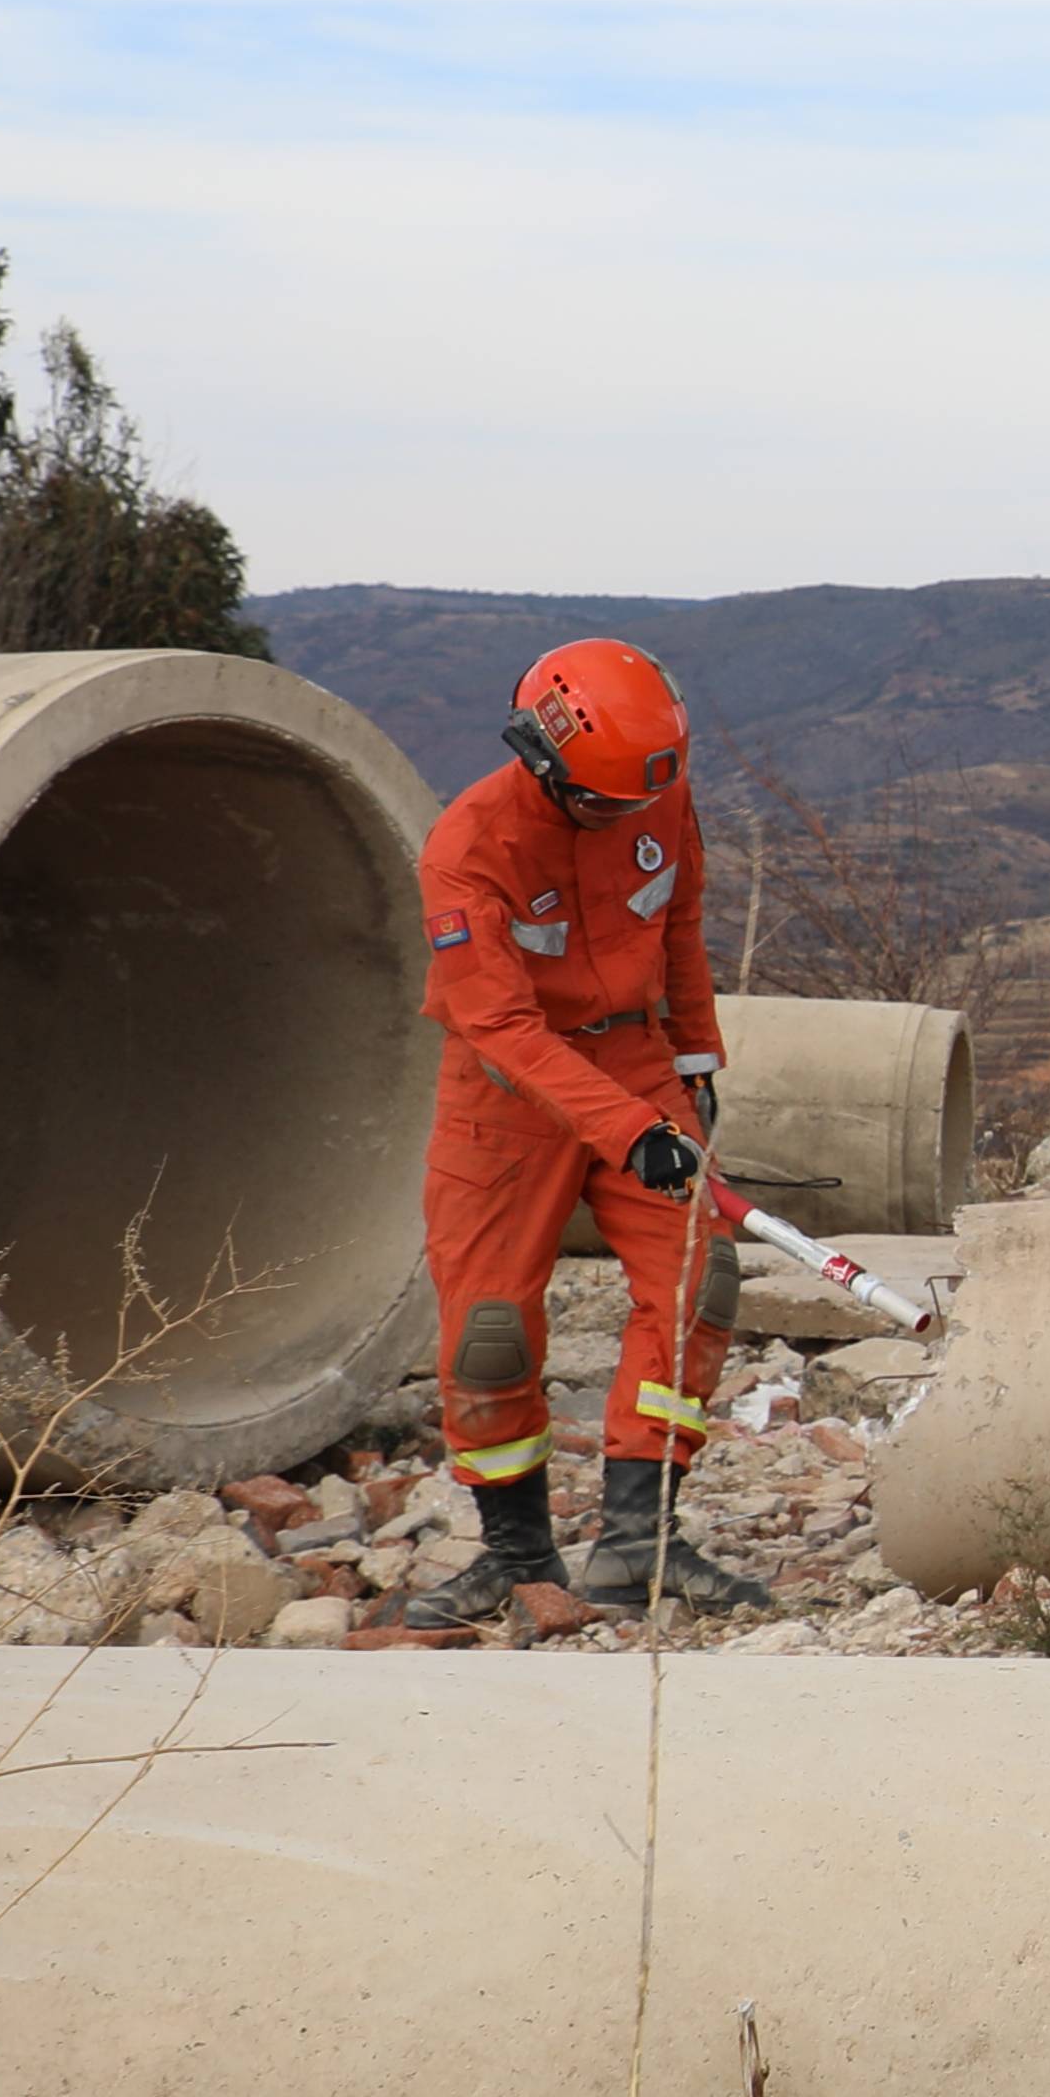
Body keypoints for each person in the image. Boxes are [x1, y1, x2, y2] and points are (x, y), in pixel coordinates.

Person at [409, 636, 764, 1640]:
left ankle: (637, 1541)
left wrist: (693, 1066)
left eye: (643, 802)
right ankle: (516, 1558)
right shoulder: (466, 849)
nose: (629, 819)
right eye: (604, 805)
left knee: (700, 1281)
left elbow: (679, 917)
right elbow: (503, 1027)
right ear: (544, 759)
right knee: (490, 1330)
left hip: (639, 1058)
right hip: (507, 1088)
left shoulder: (656, 795)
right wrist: (627, 1128)